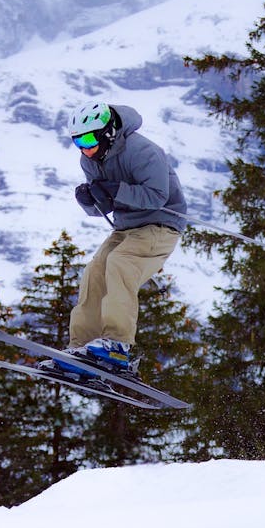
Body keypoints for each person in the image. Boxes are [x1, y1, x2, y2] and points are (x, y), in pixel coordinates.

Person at [56, 99, 187, 374]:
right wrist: (89, 200)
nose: (85, 149)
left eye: (90, 139)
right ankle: (83, 348)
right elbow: (100, 209)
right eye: (78, 142)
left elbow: (156, 196)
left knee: (120, 262)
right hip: (126, 226)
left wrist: (116, 190)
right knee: (95, 272)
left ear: (107, 132)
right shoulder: (89, 158)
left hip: (162, 224)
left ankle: (117, 346)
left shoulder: (143, 151)